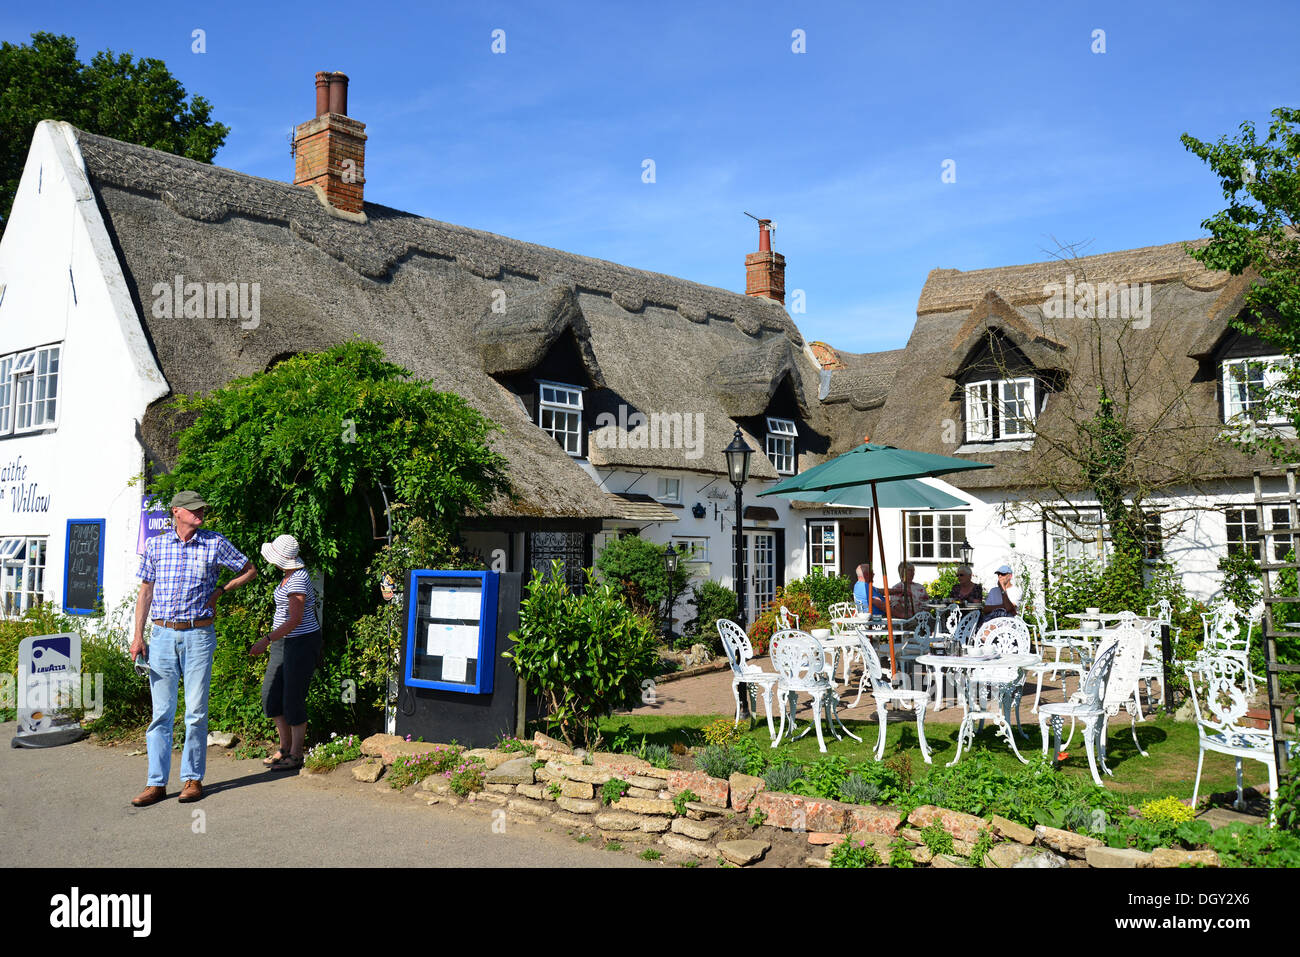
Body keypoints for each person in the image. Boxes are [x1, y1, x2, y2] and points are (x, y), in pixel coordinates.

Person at [130, 491, 256, 807]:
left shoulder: (213, 542)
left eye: (202, 509)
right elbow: (145, 592)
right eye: (194, 509)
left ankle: (192, 779)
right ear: (177, 512)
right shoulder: (156, 545)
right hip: (161, 636)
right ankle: (155, 784)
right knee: (161, 713)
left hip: (199, 636)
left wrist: (219, 592)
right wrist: (138, 636)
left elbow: (249, 569)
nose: (200, 513)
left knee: (195, 712)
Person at [249, 534, 323, 771]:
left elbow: (295, 619)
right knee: (270, 695)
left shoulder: (298, 579)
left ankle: (296, 753)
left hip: (300, 642)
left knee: (293, 697)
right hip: (284, 642)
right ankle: (284, 747)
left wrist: (266, 640)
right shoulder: (288, 576)